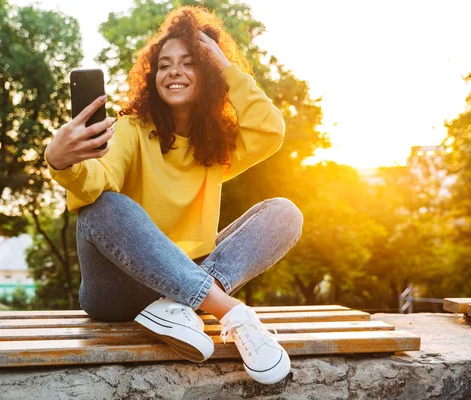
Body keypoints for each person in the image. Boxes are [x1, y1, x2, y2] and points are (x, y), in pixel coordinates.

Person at [44, 6, 303, 385]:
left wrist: (225, 66)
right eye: (164, 65)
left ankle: (176, 305)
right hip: (116, 290)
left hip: (182, 277)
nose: (174, 71)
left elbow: (269, 131)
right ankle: (231, 313)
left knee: (285, 213)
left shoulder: (216, 142)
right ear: (153, 77)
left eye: (189, 63)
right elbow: (95, 182)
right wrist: (60, 161)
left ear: (209, 74)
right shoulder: (131, 128)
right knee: (101, 207)